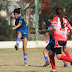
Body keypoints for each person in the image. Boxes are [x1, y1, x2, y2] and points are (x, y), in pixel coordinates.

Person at [48, 7, 72, 72]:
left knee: (59, 56)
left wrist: (49, 32)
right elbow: (71, 28)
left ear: (56, 13)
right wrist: (71, 35)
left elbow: (54, 28)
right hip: (64, 39)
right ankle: (53, 69)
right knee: (50, 52)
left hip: (58, 39)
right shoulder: (65, 19)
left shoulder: (55, 19)